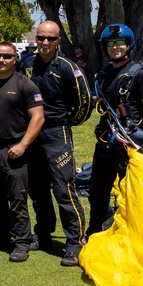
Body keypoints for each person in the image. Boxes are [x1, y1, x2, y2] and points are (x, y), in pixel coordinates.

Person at [25, 20, 92, 266]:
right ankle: (43, 235)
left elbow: (85, 104)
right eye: (41, 38)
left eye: (50, 39)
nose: (44, 43)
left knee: (64, 189)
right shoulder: (27, 64)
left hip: (57, 135)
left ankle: (74, 243)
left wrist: (65, 124)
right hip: (32, 135)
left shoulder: (67, 67)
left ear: (58, 42)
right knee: (37, 189)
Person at [0, 42, 45, 262]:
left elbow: (38, 117)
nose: (1, 60)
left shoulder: (25, 85)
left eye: (6, 56)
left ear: (15, 59)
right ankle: (1, 237)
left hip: (14, 150)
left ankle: (22, 242)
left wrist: (23, 145)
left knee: (17, 198)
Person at [87, 23, 143, 236]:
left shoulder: (140, 74)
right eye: (110, 44)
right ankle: (96, 231)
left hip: (130, 145)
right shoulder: (104, 73)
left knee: (130, 193)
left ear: (128, 45)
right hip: (105, 143)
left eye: (120, 43)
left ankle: (130, 234)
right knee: (97, 191)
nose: (115, 47)